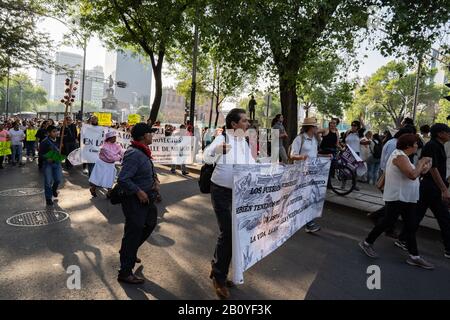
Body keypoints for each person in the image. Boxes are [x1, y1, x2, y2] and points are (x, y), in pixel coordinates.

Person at [359, 134, 434, 269]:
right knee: (387, 222)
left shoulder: (405, 157)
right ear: (408, 146)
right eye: (415, 144)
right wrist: (421, 162)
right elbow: (412, 175)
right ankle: (366, 243)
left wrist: (425, 166)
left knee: (410, 226)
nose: (417, 146)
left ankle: (414, 256)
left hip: (408, 197)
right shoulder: (399, 156)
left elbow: (416, 172)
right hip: (398, 197)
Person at [204, 108, 256, 299]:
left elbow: (251, 164)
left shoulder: (243, 141)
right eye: (244, 121)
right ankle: (219, 278)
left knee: (230, 233)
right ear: (234, 125)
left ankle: (217, 266)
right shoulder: (222, 138)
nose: (248, 124)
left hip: (239, 193)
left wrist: (271, 170)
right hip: (221, 192)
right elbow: (205, 157)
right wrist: (216, 151)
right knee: (229, 233)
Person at [397, 123, 450, 259]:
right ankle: (448, 248)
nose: (449, 134)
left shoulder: (438, 146)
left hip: (429, 187)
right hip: (431, 187)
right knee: (444, 217)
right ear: (440, 134)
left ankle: (402, 238)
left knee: (418, 214)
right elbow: (433, 169)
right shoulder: (432, 146)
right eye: (447, 132)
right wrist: (444, 189)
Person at [117, 123, 160, 284]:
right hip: (135, 201)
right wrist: (138, 191)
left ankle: (129, 250)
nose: (152, 135)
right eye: (150, 133)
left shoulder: (143, 151)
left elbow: (148, 168)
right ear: (143, 136)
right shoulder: (134, 153)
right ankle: (125, 272)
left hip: (147, 199)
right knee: (132, 234)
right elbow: (123, 179)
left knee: (150, 223)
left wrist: (155, 179)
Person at [289, 117, 323, 233]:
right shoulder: (300, 139)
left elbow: (314, 155)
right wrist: (302, 157)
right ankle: (308, 223)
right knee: (304, 197)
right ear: (310, 127)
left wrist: (325, 157)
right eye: (315, 126)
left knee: (306, 197)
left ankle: (302, 220)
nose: (317, 128)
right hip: (300, 173)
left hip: (311, 173)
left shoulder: (315, 139)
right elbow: (292, 155)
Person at [89, 131, 124, 198]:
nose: (115, 138)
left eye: (115, 137)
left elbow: (121, 152)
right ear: (109, 138)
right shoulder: (104, 147)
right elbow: (110, 157)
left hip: (110, 165)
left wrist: (124, 156)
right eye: (113, 137)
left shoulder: (117, 145)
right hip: (102, 164)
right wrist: (119, 158)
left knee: (110, 179)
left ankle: (109, 192)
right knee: (98, 178)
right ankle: (92, 189)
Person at [39, 125, 63, 206]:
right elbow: (40, 154)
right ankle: (48, 198)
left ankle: (54, 189)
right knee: (48, 182)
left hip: (57, 162)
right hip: (48, 164)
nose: (56, 133)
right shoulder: (44, 142)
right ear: (49, 133)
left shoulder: (59, 139)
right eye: (54, 131)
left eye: (56, 131)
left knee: (58, 180)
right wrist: (46, 159)